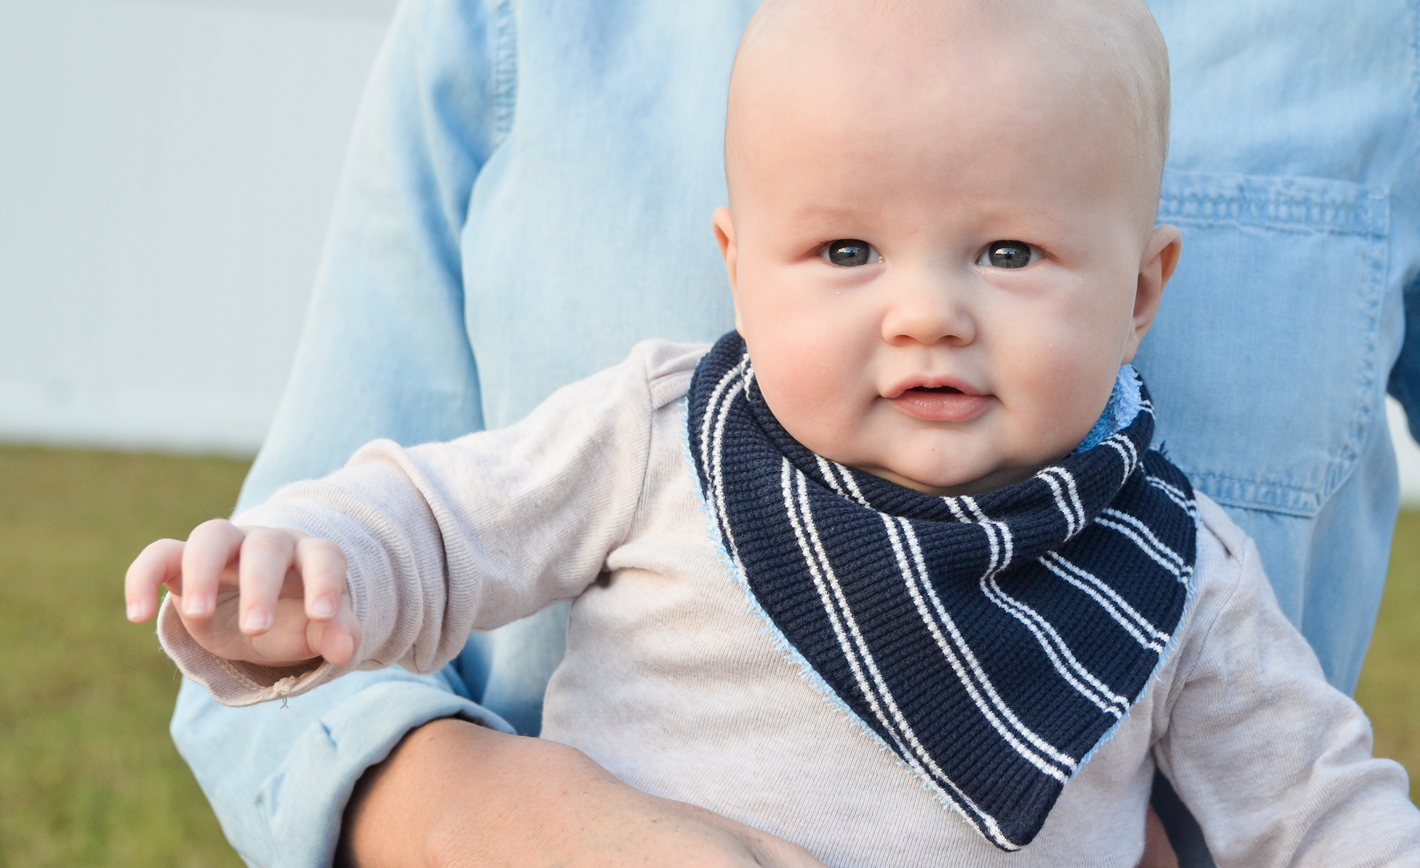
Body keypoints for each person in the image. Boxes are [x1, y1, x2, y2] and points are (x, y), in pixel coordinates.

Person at [127, 1, 1420, 865]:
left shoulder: (1174, 571)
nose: (927, 313)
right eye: (847, 249)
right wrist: (311, 562)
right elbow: (442, 517)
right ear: (737, 270)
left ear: (1142, 291)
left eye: (1010, 253)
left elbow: (1316, 809)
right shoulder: (660, 436)